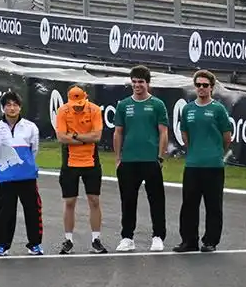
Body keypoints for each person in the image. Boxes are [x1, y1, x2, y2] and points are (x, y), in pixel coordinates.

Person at [111, 65, 170, 252]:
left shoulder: (157, 104)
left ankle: (158, 236)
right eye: (134, 81)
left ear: (148, 83)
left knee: (156, 200)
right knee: (128, 200)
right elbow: (118, 133)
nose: (137, 85)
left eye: (141, 82)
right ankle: (127, 237)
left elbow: (163, 132)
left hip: (150, 160)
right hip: (128, 161)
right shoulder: (123, 105)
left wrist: (160, 157)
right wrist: (118, 158)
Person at [176, 69, 234, 253]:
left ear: (212, 87)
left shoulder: (218, 109)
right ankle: (189, 241)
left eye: (205, 85)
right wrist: (194, 150)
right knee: (189, 205)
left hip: (213, 165)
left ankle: (210, 241)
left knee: (213, 205)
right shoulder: (188, 109)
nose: (201, 88)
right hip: (192, 164)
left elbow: (227, 137)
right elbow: (185, 135)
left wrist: (216, 153)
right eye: (198, 85)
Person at [53, 86, 107, 254]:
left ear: (86, 97)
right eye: (75, 104)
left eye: (80, 104)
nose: (78, 107)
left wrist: (75, 136)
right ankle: (68, 239)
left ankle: (96, 239)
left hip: (91, 161)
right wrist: (85, 139)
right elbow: (62, 137)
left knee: (94, 200)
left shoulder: (95, 110)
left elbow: (96, 137)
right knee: (70, 202)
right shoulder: (62, 111)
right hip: (70, 162)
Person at [0, 91, 43, 256]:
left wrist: (24, 165)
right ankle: (2, 245)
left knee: (32, 210)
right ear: (3, 108)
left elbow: (34, 150)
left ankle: (34, 244)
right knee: (6, 211)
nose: (12, 108)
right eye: (8, 105)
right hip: (5, 177)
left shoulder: (30, 127)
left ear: (20, 107)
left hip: (27, 176)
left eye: (15, 105)